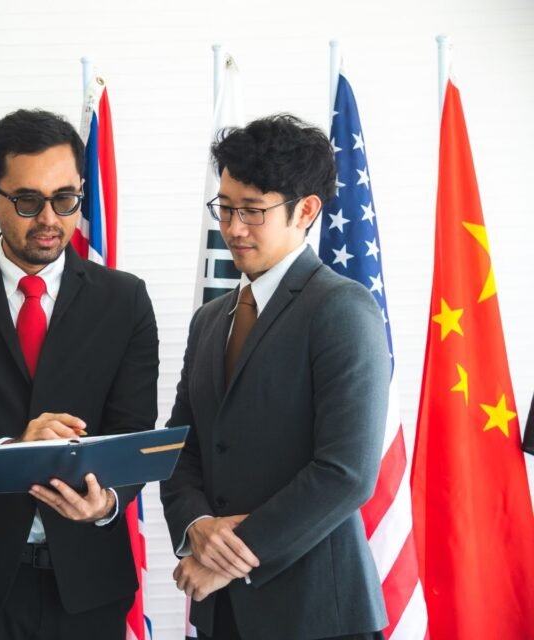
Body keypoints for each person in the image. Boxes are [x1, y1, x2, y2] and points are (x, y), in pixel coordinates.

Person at [0, 109, 159, 639]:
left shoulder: (124, 299)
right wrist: (17, 445)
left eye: (65, 199)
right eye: (27, 201)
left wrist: (108, 502)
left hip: (88, 585)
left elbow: (132, 433)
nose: (49, 219)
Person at [160, 114, 390, 640]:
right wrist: (196, 528)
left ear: (306, 210)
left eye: (252, 211)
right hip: (221, 616)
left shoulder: (341, 308)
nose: (233, 227)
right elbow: (181, 447)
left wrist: (229, 560)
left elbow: (347, 472)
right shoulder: (210, 319)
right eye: (225, 207)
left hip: (317, 615)